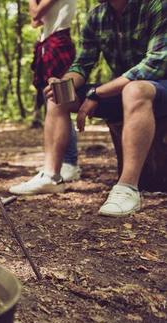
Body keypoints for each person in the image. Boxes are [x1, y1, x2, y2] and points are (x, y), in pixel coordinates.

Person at [9, 0, 167, 217]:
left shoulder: (156, 6)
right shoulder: (97, 17)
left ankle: (127, 188)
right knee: (59, 94)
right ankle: (51, 176)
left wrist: (97, 93)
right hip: (123, 90)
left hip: (157, 87)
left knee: (135, 90)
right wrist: (63, 83)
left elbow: (155, 64)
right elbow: (82, 64)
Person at [29, 0, 81, 181]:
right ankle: (56, 162)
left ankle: (70, 162)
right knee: (51, 98)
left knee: (61, 99)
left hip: (59, 43)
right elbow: (35, 22)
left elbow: (35, 14)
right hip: (47, 43)